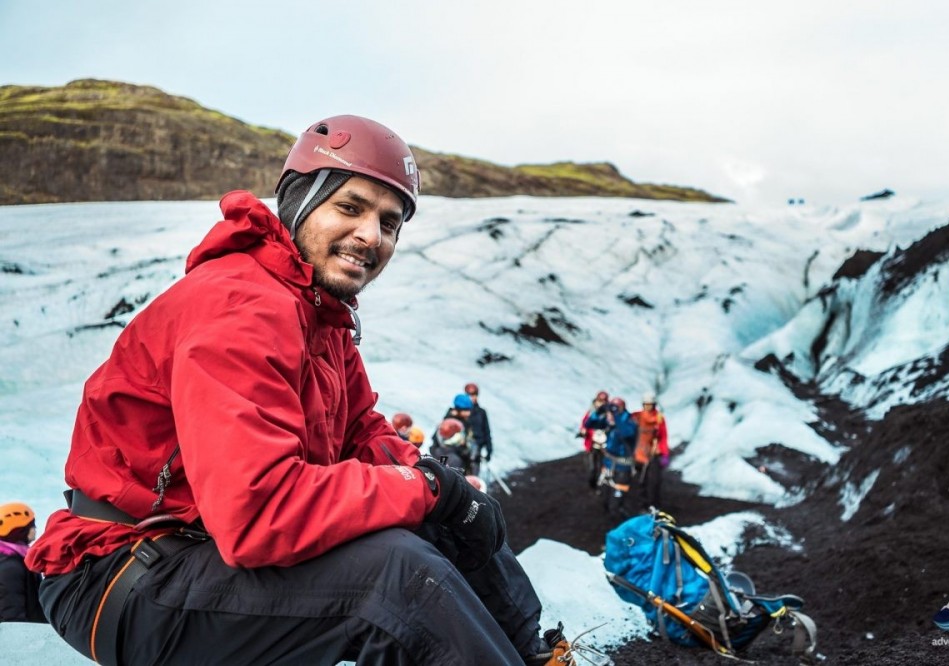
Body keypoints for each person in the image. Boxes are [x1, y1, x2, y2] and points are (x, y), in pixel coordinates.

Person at [26, 115, 577, 665]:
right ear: (300, 202)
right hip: (119, 575)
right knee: (395, 581)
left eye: (390, 223)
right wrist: (427, 489)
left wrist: (446, 494)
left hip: (190, 551)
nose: (371, 235)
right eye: (351, 207)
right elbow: (258, 514)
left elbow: (364, 434)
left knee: (446, 526)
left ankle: (536, 654)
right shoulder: (242, 307)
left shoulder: (319, 317)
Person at [586, 397, 637, 519]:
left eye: (612, 412)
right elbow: (589, 424)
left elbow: (626, 433)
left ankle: (623, 528)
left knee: (616, 505)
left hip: (622, 469)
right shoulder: (610, 423)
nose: (609, 416)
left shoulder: (629, 423)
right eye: (608, 413)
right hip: (608, 467)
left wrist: (617, 415)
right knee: (605, 502)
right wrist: (598, 412)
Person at [0, 502, 46, 623]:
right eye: (32, 525)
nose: (35, 529)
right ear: (19, 529)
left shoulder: (18, 558)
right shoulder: (10, 566)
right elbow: (11, 612)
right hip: (20, 636)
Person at [631, 392, 669, 510]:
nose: (648, 407)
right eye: (646, 404)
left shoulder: (658, 418)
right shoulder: (636, 417)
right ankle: (641, 505)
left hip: (653, 453)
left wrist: (664, 453)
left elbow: (663, 436)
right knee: (640, 480)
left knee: (654, 481)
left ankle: (654, 505)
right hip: (638, 453)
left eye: (650, 404)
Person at [578, 390, 610, 488]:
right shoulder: (591, 413)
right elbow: (584, 424)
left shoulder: (609, 414)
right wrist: (584, 431)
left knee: (603, 465)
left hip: (605, 444)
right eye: (600, 401)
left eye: (604, 401)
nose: (601, 403)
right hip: (592, 444)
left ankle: (601, 485)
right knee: (592, 467)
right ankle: (592, 484)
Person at [464, 382, 493, 464]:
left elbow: (486, 431)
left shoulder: (481, 412)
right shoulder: (458, 411)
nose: (472, 397)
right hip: (460, 449)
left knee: (473, 472)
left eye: (474, 395)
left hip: (476, 450)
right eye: (469, 395)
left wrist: (489, 450)